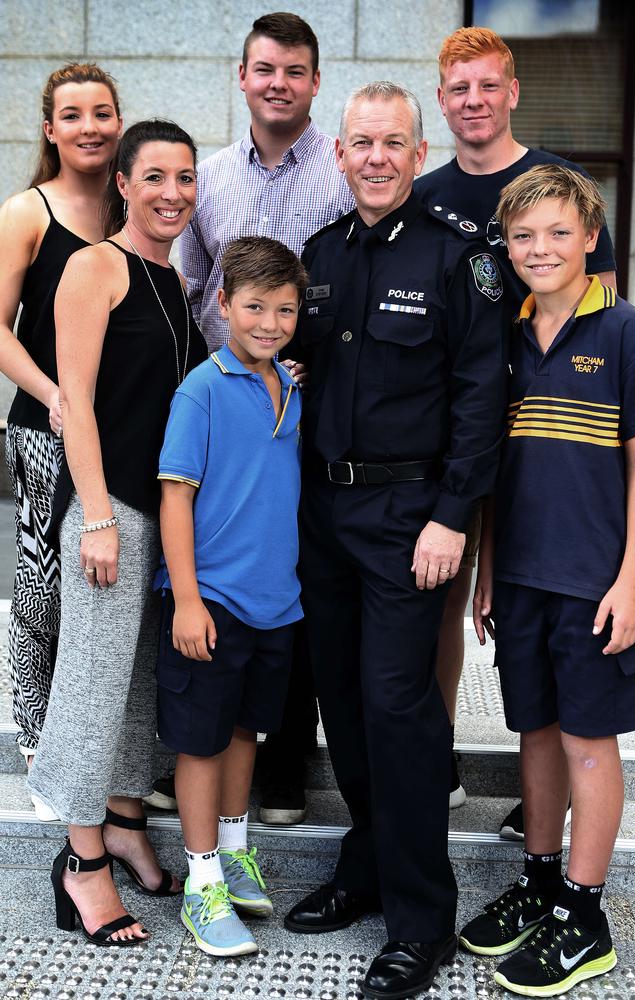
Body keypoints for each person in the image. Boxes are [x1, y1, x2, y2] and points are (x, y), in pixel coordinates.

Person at [284, 82, 509, 1000]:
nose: (376, 158)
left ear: (419, 156)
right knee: (342, 701)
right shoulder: (319, 255)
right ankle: (368, 863)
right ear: (338, 155)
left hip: (410, 519)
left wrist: (453, 516)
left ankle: (423, 921)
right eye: (361, 143)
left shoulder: (461, 259)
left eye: (393, 144)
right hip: (324, 518)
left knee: (399, 710)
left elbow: (481, 398)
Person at [146, 11, 354, 826]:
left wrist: (309, 365)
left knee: (285, 569)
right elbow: (193, 287)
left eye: (295, 70)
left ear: (313, 82)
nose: (278, 82)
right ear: (243, 76)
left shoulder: (340, 174)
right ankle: (194, 749)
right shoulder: (212, 178)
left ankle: (282, 768)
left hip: (303, 401)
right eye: (265, 68)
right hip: (220, 402)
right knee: (214, 562)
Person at [414, 26, 617, 832]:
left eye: (489, 86)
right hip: (454, 433)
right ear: (442, 99)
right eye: (460, 89)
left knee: (538, 600)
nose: (475, 101)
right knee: (449, 603)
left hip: (546, 427)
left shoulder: (556, 186)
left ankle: (551, 797)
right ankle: (439, 759)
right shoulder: (424, 195)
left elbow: (597, 309)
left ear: (514, 91)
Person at [462, 164, 635, 997]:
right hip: (524, 579)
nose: (540, 249)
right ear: (506, 246)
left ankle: (586, 913)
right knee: (533, 733)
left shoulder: (628, 332)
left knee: (584, 741)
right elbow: (501, 471)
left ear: (591, 238)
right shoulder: (503, 336)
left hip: (597, 580)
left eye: (558, 234)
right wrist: (489, 573)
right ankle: (540, 886)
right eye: (523, 236)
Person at [27, 120, 208, 945]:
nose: (173, 192)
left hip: (156, 514)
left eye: (186, 178)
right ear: (125, 186)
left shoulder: (171, 278)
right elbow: (77, 403)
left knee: (137, 687)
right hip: (108, 513)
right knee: (94, 691)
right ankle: (82, 864)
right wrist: (95, 514)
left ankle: (127, 824)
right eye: (156, 177)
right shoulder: (92, 267)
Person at [155, 236, 307, 957]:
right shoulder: (203, 389)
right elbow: (175, 497)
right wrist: (186, 598)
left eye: (284, 310)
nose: (270, 323)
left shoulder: (291, 386)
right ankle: (202, 881)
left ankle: (237, 851)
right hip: (209, 599)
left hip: (275, 603)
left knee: (248, 731)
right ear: (222, 304)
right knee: (202, 740)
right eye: (254, 308)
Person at [0, 63, 122, 821]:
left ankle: (103, 735)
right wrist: (55, 396)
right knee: (44, 586)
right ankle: (36, 733)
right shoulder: (27, 212)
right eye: (72, 115)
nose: (89, 127)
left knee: (105, 586)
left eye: (102, 113)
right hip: (45, 426)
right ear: (50, 128)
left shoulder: (130, 204)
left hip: (121, 432)